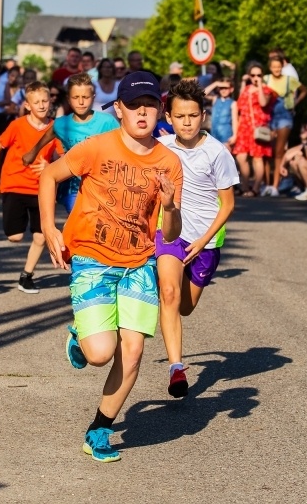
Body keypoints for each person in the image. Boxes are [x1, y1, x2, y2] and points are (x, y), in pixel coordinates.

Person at [38, 71, 183, 462]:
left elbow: (170, 233)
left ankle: (99, 430)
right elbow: (50, 176)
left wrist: (169, 206)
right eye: (133, 106)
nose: (142, 112)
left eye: (150, 105)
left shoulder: (169, 162)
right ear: (118, 109)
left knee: (132, 353)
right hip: (92, 258)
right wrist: (49, 226)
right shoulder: (97, 147)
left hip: (138, 263)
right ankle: (81, 336)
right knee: (101, 353)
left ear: (160, 110)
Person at [156, 80, 237, 397]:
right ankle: (177, 369)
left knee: (184, 307)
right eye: (180, 116)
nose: (186, 122)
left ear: (203, 116)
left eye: (193, 116)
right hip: (171, 233)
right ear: (169, 117)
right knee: (169, 294)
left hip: (206, 241)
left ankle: (167, 320)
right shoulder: (162, 148)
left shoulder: (217, 153)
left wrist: (203, 242)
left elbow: (228, 205)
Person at [0, 81, 62, 294]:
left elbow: (63, 157)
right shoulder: (17, 125)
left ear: (50, 102)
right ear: (28, 105)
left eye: (45, 101)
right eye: (36, 102)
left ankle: (26, 276)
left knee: (41, 235)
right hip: (14, 184)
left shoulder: (54, 127)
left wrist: (50, 165)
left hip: (40, 189)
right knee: (15, 236)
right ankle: (17, 228)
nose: (41, 105)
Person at [21, 73, 119, 214]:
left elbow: (123, 143)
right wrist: (32, 152)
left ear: (93, 97)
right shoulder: (61, 124)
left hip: (102, 185)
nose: (81, 102)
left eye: (85, 97)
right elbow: (49, 134)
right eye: (75, 97)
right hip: (73, 187)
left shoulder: (107, 121)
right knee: (80, 217)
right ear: (68, 99)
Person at [263, 53, 306, 197]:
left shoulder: (289, 80)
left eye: (279, 66)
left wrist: (295, 104)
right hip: (269, 116)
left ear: (283, 66)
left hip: (284, 116)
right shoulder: (266, 80)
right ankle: (268, 183)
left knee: (279, 151)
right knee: (269, 150)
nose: (276, 69)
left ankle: (275, 185)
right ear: (270, 67)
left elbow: (304, 90)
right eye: (274, 66)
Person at [233, 61, 274, 196]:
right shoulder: (246, 89)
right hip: (245, 128)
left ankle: (255, 188)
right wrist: (244, 84)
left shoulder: (267, 90)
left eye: (259, 75)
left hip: (258, 128)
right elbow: (239, 106)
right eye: (253, 75)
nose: (256, 77)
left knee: (257, 158)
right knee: (241, 157)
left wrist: (260, 86)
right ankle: (245, 187)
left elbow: (263, 102)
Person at [204, 77, 237, 150]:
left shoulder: (233, 103)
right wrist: (215, 84)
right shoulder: (215, 99)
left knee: (225, 157)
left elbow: (235, 121)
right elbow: (202, 94)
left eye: (226, 88)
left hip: (226, 133)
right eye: (221, 88)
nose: (223, 90)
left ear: (231, 89)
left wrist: (235, 135)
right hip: (214, 133)